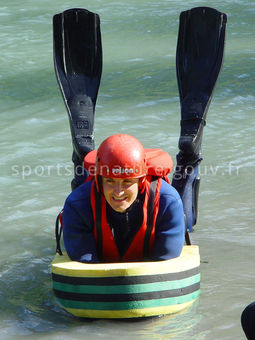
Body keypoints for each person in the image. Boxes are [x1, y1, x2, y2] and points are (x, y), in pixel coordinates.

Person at [62, 134, 185, 263]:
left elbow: (166, 261)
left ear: (140, 181)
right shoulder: (76, 204)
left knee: (187, 225)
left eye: (127, 182)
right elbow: (84, 264)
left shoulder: (168, 201)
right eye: (109, 181)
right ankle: (81, 147)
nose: (118, 192)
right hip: (86, 206)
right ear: (99, 180)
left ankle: (189, 155)